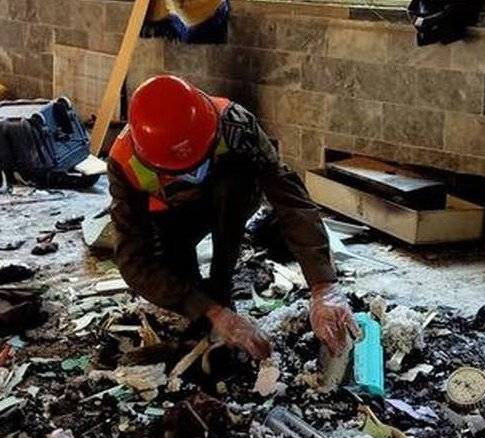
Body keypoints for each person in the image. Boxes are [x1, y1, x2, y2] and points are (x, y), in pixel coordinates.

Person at [107, 75, 359, 361]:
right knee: (181, 280)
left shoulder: (234, 122)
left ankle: (222, 283)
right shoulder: (123, 161)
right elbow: (134, 258)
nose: (191, 171)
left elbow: (289, 197)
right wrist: (211, 311)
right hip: (170, 218)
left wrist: (323, 285)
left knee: (234, 187)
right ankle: (208, 309)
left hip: (228, 200)